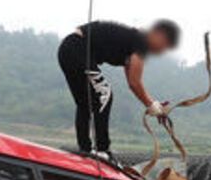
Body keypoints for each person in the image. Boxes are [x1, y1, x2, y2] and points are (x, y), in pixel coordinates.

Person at [57, 19, 181, 159]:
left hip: (67, 49)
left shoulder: (133, 41)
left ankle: (85, 149)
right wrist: (151, 105)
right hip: (77, 48)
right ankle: (102, 149)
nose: (161, 51)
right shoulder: (141, 42)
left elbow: (132, 82)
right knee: (105, 95)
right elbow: (135, 83)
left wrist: (153, 105)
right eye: (165, 46)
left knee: (85, 102)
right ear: (159, 35)